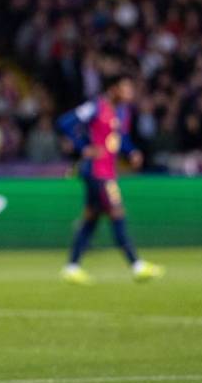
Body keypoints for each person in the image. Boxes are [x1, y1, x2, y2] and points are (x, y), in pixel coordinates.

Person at [56, 74, 165, 285]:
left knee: (90, 218)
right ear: (113, 89)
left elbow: (119, 138)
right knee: (117, 211)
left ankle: (72, 267)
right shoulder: (96, 106)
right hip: (97, 172)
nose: (130, 93)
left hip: (107, 171)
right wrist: (83, 148)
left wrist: (131, 151)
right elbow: (65, 122)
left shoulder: (122, 112)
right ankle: (136, 265)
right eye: (125, 88)